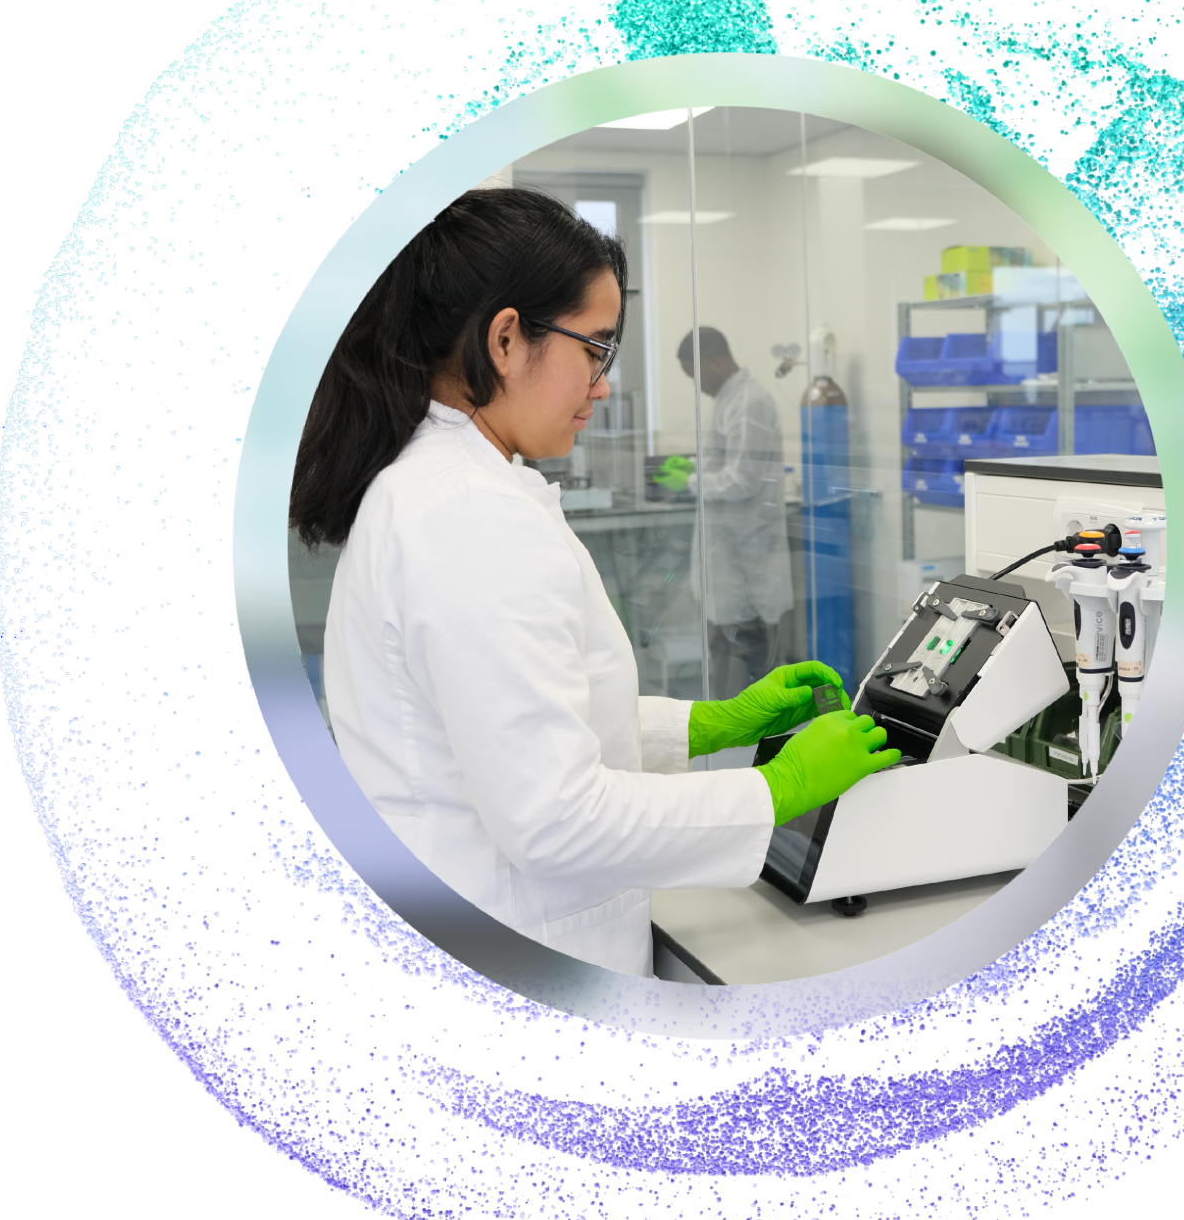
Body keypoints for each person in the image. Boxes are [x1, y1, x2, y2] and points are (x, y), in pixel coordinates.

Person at [290, 189, 898, 978]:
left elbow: (514, 721)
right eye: (595, 349)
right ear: (506, 339)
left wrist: (705, 725)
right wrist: (774, 790)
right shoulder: (468, 514)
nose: (604, 385)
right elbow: (556, 817)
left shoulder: (440, 487)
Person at [652, 328, 795, 698]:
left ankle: (754, 732)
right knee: (727, 664)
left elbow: (743, 479)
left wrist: (691, 481)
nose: (697, 387)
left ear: (716, 362)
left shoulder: (750, 402)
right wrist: (694, 467)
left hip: (747, 561)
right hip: (729, 557)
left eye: (696, 377)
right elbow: (725, 463)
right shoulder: (729, 400)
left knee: (749, 671)